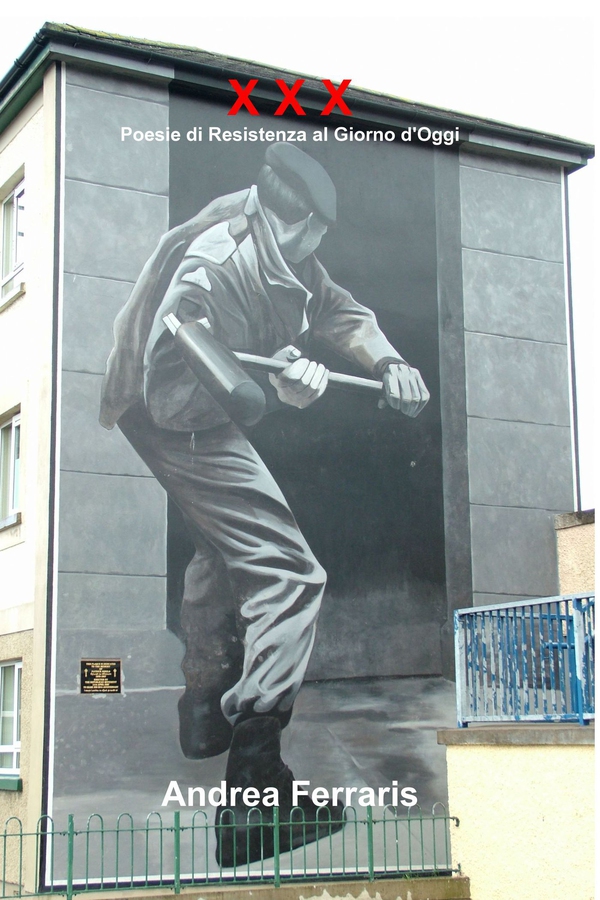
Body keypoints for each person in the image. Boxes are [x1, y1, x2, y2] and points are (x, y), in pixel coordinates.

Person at [100, 142, 429, 865]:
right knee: (288, 572)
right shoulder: (215, 264)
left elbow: (339, 310)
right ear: (306, 224)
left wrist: (389, 362)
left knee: (224, 546)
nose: (321, 249)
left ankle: (202, 710)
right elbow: (172, 388)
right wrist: (278, 394)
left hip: (190, 407)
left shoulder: (284, 247)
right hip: (169, 414)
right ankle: (256, 789)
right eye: (320, 236)